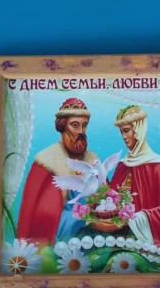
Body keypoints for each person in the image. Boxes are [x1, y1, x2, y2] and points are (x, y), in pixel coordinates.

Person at [16, 98, 99, 245]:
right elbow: (30, 210)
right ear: (62, 126)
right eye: (75, 125)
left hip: (93, 237)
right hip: (59, 237)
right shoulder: (46, 160)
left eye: (84, 125)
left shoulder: (93, 160)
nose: (81, 131)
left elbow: (106, 196)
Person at [106, 105, 160, 252]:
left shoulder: (159, 166)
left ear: (139, 129)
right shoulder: (122, 165)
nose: (123, 137)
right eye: (121, 132)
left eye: (126, 130)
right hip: (118, 240)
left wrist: (136, 219)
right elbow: (111, 198)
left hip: (144, 243)